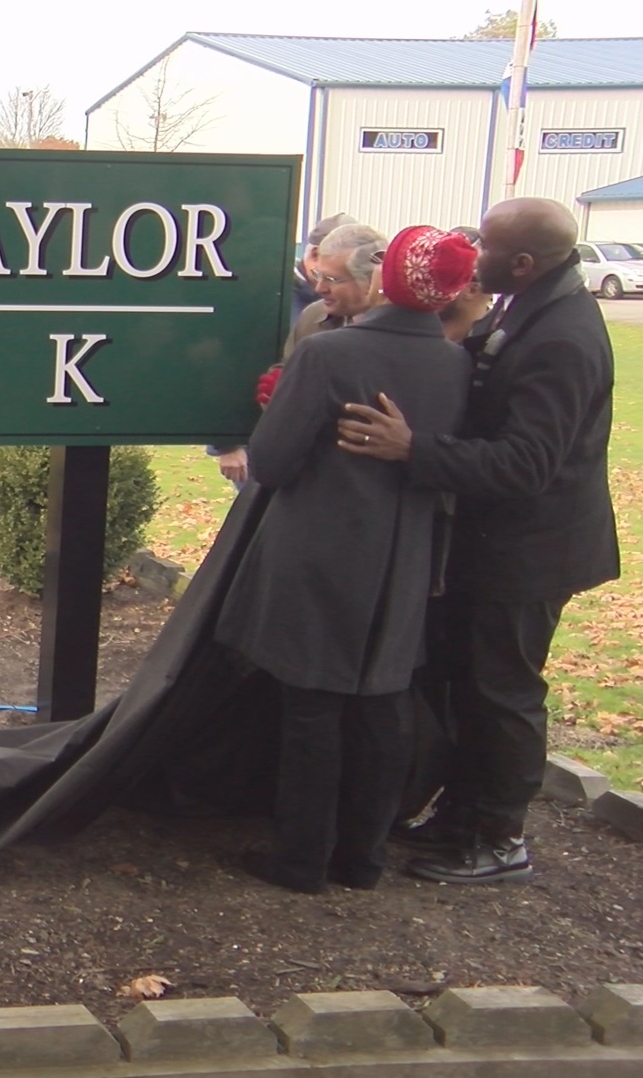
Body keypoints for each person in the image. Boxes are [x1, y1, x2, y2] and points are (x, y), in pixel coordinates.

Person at [337, 197, 619, 884]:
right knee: (466, 684)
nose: (471, 249)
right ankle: (461, 815)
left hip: (532, 551)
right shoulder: (526, 309)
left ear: (521, 262)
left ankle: (499, 838)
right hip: (497, 544)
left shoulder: (562, 337)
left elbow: (527, 462)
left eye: (485, 244)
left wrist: (414, 449)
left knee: (502, 693)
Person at [216, 225, 476, 895]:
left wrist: (277, 408)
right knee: (382, 705)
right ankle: (362, 858)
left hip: (322, 548)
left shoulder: (330, 353)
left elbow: (273, 461)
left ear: (388, 277)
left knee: (313, 708)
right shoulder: (453, 362)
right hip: (404, 553)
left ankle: (301, 858)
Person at [210, 220, 383, 487]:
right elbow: (285, 375)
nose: (320, 288)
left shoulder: (403, 332)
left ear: (370, 281)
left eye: (333, 280)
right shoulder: (313, 316)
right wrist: (282, 392)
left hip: (369, 483)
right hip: (307, 478)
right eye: (319, 276)